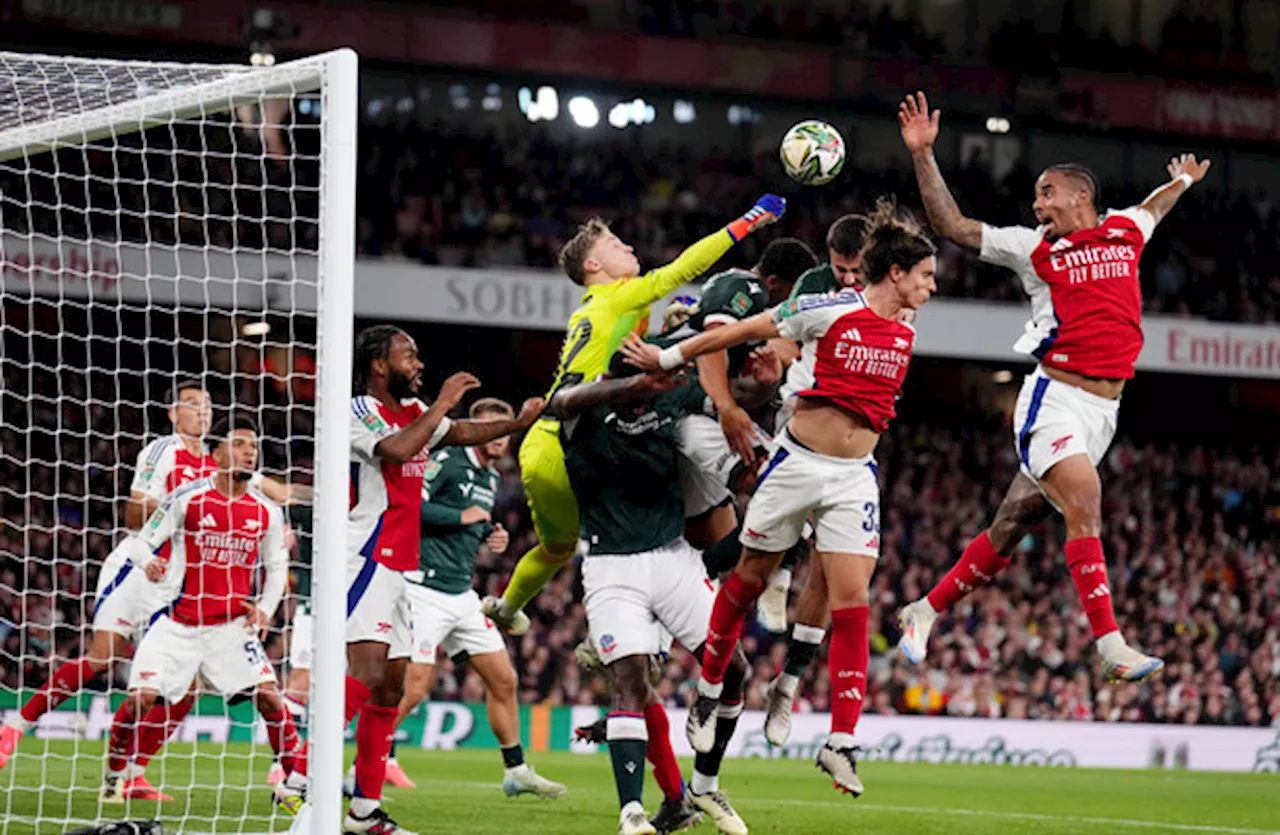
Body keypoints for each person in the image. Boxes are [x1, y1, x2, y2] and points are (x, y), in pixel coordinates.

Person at [620, 200, 938, 797]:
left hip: (854, 476)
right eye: (925, 275)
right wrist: (669, 356)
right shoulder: (824, 307)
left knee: (853, 600)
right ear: (896, 274)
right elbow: (743, 331)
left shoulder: (906, 322)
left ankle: (841, 741)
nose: (933, 285)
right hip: (796, 465)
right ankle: (710, 686)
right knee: (745, 580)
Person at [893, 90, 1210, 682]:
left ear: (1080, 196)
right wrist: (923, 155)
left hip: (1103, 413)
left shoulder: (1123, 231)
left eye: (1046, 192)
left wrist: (1184, 183)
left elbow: (1154, 207)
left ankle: (924, 608)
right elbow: (953, 226)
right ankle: (1110, 643)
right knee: (1085, 501)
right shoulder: (1033, 247)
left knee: (1010, 526)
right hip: (1054, 401)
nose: (1036, 203)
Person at [482, 195, 787, 635]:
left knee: (558, 548)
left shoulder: (598, 307)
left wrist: (668, 331)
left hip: (544, 444)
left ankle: (508, 608)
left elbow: (625, 360)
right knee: (653, 539)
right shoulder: (620, 295)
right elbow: (682, 268)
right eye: (615, 245)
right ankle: (635, 636)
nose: (628, 248)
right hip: (587, 438)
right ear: (593, 267)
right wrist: (749, 221)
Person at [323, 324, 543, 835]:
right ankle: (297, 770)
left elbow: (463, 433)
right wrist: (443, 402)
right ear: (379, 366)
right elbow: (397, 450)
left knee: (390, 689)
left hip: (401, 567)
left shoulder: (418, 415)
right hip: (367, 555)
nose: (419, 364)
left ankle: (363, 814)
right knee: (365, 671)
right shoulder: (361, 411)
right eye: (409, 355)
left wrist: (520, 421)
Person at [552, 371, 752, 835]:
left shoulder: (670, 404)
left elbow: (730, 388)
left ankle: (704, 783)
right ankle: (632, 814)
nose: (644, 405)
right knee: (630, 679)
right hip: (611, 565)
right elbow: (561, 401)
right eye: (635, 394)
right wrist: (635, 386)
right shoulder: (586, 415)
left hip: (673, 558)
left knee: (736, 667)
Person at [96, 416, 304, 812]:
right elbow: (141, 542)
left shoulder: (266, 512)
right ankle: (114, 772)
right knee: (140, 701)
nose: (249, 452)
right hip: (177, 623)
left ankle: (295, 786)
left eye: (253, 447)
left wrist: (264, 610)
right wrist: (148, 564)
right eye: (240, 444)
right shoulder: (188, 498)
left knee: (271, 700)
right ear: (217, 453)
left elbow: (277, 569)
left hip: (230, 628)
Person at [389, 397, 565, 798]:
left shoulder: (490, 477)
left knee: (504, 679)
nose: (500, 439)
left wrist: (490, 534)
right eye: (492, 428)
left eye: (506, 431)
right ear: (475, 428)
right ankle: (369, 762)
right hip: (423, 589)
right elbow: (409, 506)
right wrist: (461, 518)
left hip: (461, 595)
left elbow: (472, 520)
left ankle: (516, 770)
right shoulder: (449, 459)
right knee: (414, 688)